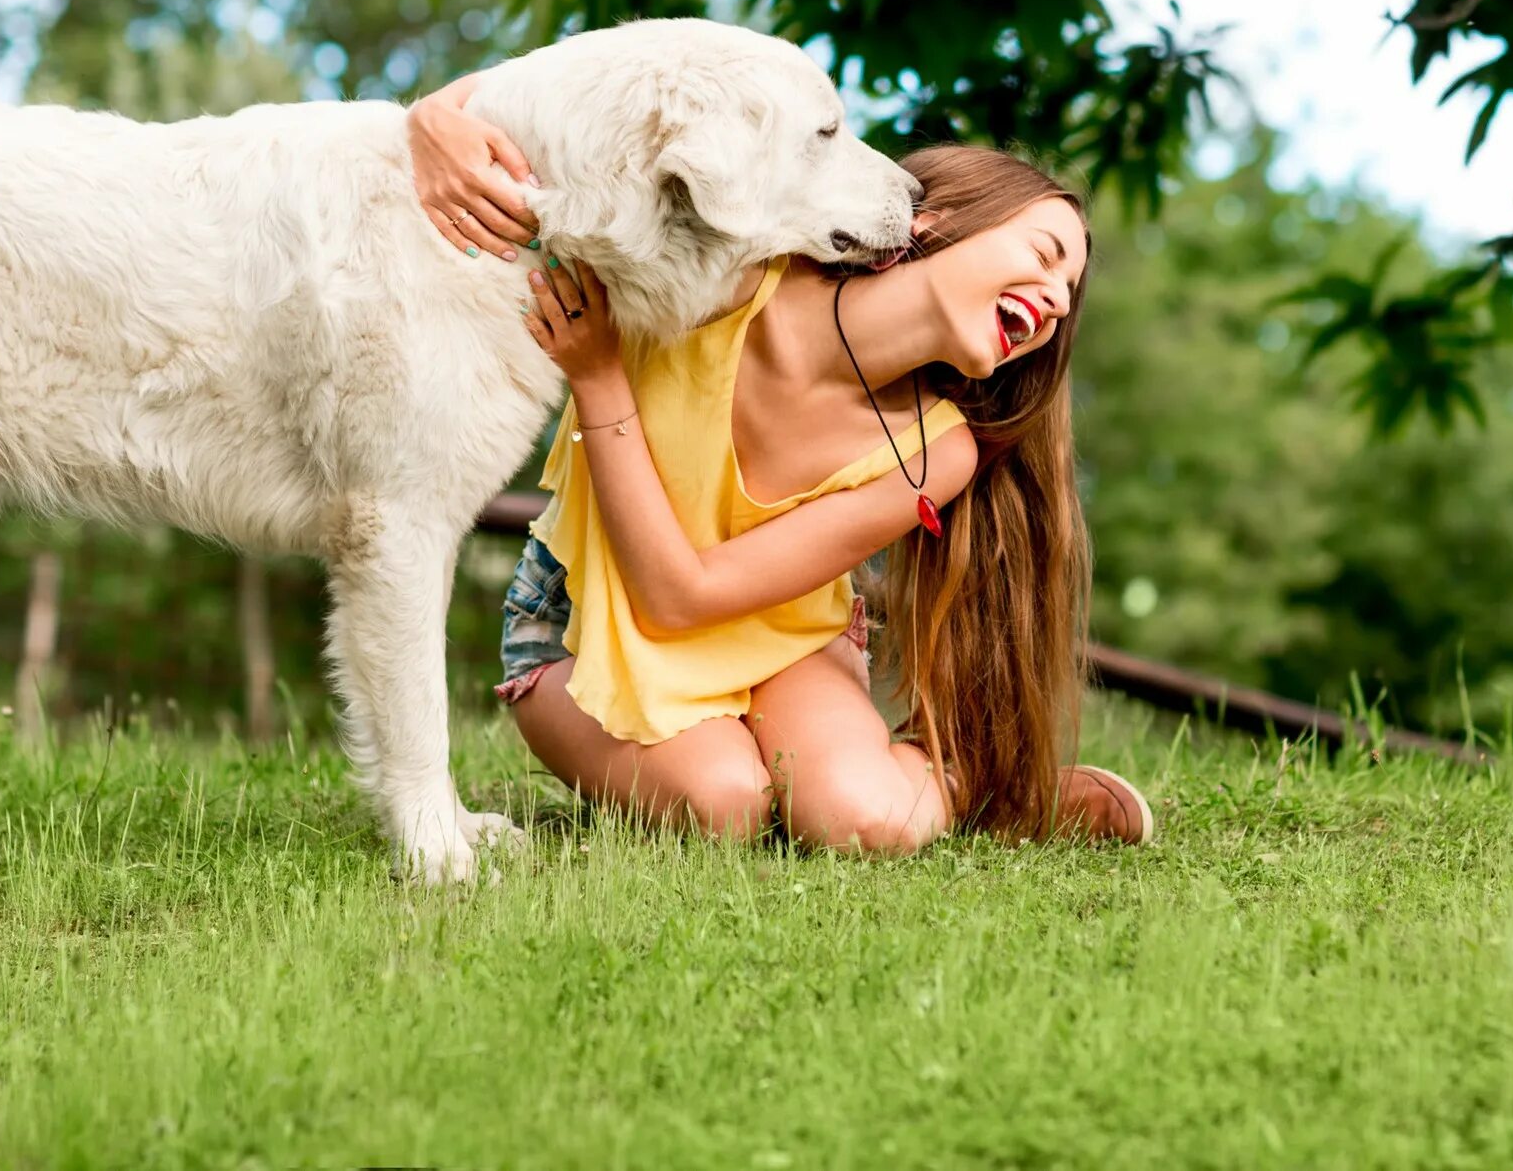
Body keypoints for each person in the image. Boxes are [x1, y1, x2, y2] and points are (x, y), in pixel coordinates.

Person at [409, 76, 1153, 851]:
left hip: (786, 644)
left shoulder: (937, 450)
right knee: (725, 805)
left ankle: (977, 786)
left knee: (867, 821)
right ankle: (740, 757)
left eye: (1068, 294)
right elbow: (603, 87)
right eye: (1045, 254)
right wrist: (438, 119)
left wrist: (600, 380)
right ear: (940, 216)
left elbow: (687, 596)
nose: (1058, 302)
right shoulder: (738, 265)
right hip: (581, 628)